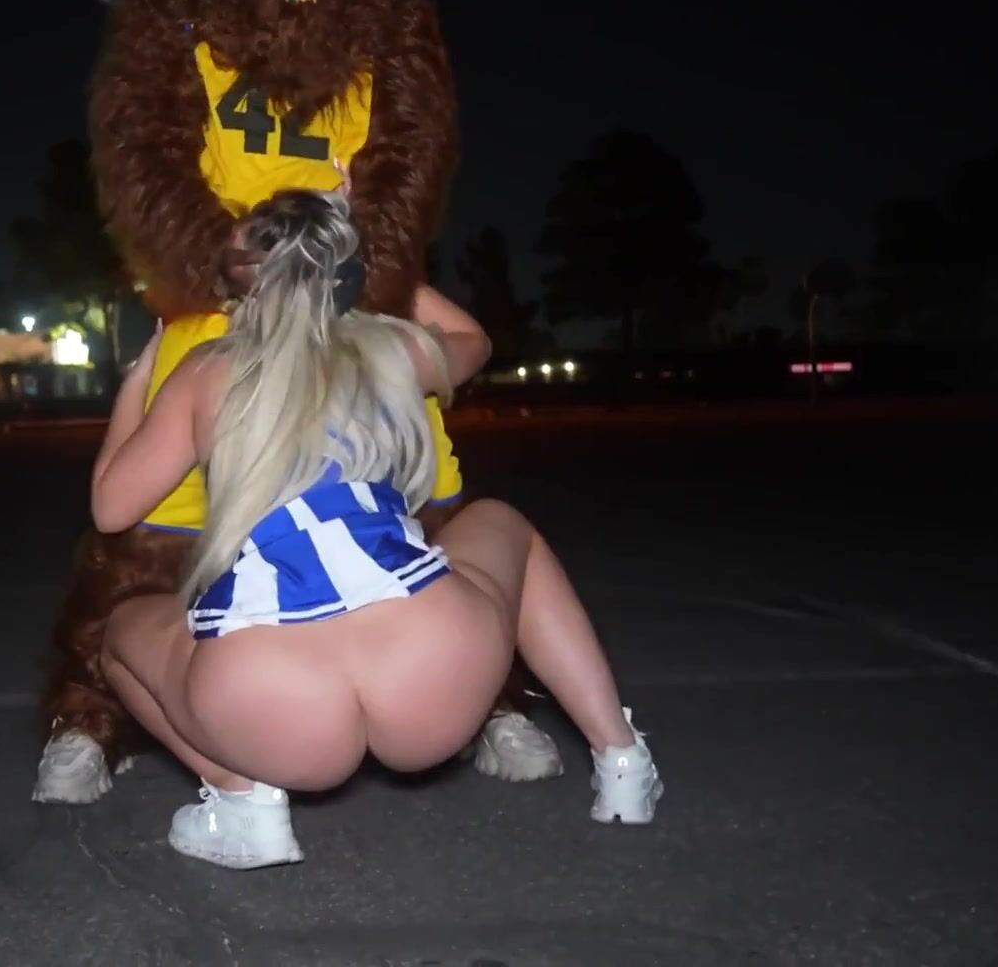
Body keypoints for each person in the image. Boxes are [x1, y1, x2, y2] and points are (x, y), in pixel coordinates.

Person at [89, 188, 663, 869]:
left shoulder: (205, 373)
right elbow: (474, 341)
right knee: (502, 523)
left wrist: (138, 383)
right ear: (347, 273)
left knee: (121, 633)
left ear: (238, 283)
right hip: (430, 668)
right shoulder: (390, 348)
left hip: (271, 701)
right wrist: (372, 247)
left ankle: (243, 803)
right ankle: (621, 760)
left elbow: (111, 508)